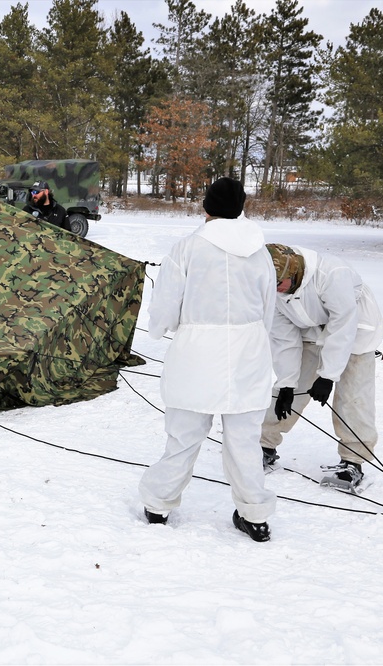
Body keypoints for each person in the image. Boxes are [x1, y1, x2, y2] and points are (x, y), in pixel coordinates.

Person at [139, 177, 276, 542]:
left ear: (207, 207)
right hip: (248, 354)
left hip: (198, 354)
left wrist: (160, 327)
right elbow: (268, 309)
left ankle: (158, 504)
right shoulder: (260, 251)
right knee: (245, 441)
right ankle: (255, 514)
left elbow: (166, 304)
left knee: (183, 436)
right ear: (241, 208)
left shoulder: (187, 248)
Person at [262, 243, 383, 492]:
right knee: (287, 393)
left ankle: (352, 462)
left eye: (278, 284)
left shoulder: (332, 273)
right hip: (311, 327)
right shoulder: (271, 289)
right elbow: (284, 339)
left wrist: (328, 376)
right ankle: (264, 445)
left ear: (292, 272)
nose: (275, 291)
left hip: (355, 327)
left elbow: (343, 326)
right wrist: (287, 381)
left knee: (353, 397)